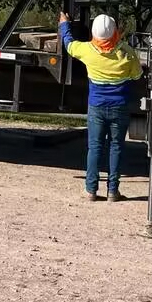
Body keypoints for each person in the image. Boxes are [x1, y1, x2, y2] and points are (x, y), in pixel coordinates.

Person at [58, 11, 142, 202]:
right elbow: (137, 76)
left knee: (95, 147)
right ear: (115, 32)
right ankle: (113, 191)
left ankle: (91, 190)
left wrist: (64, 24)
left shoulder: (87, 50)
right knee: (116, 147)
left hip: (96, 107)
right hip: (120, 107)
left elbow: (69, 44)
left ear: (94, 34)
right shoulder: (127, 53)